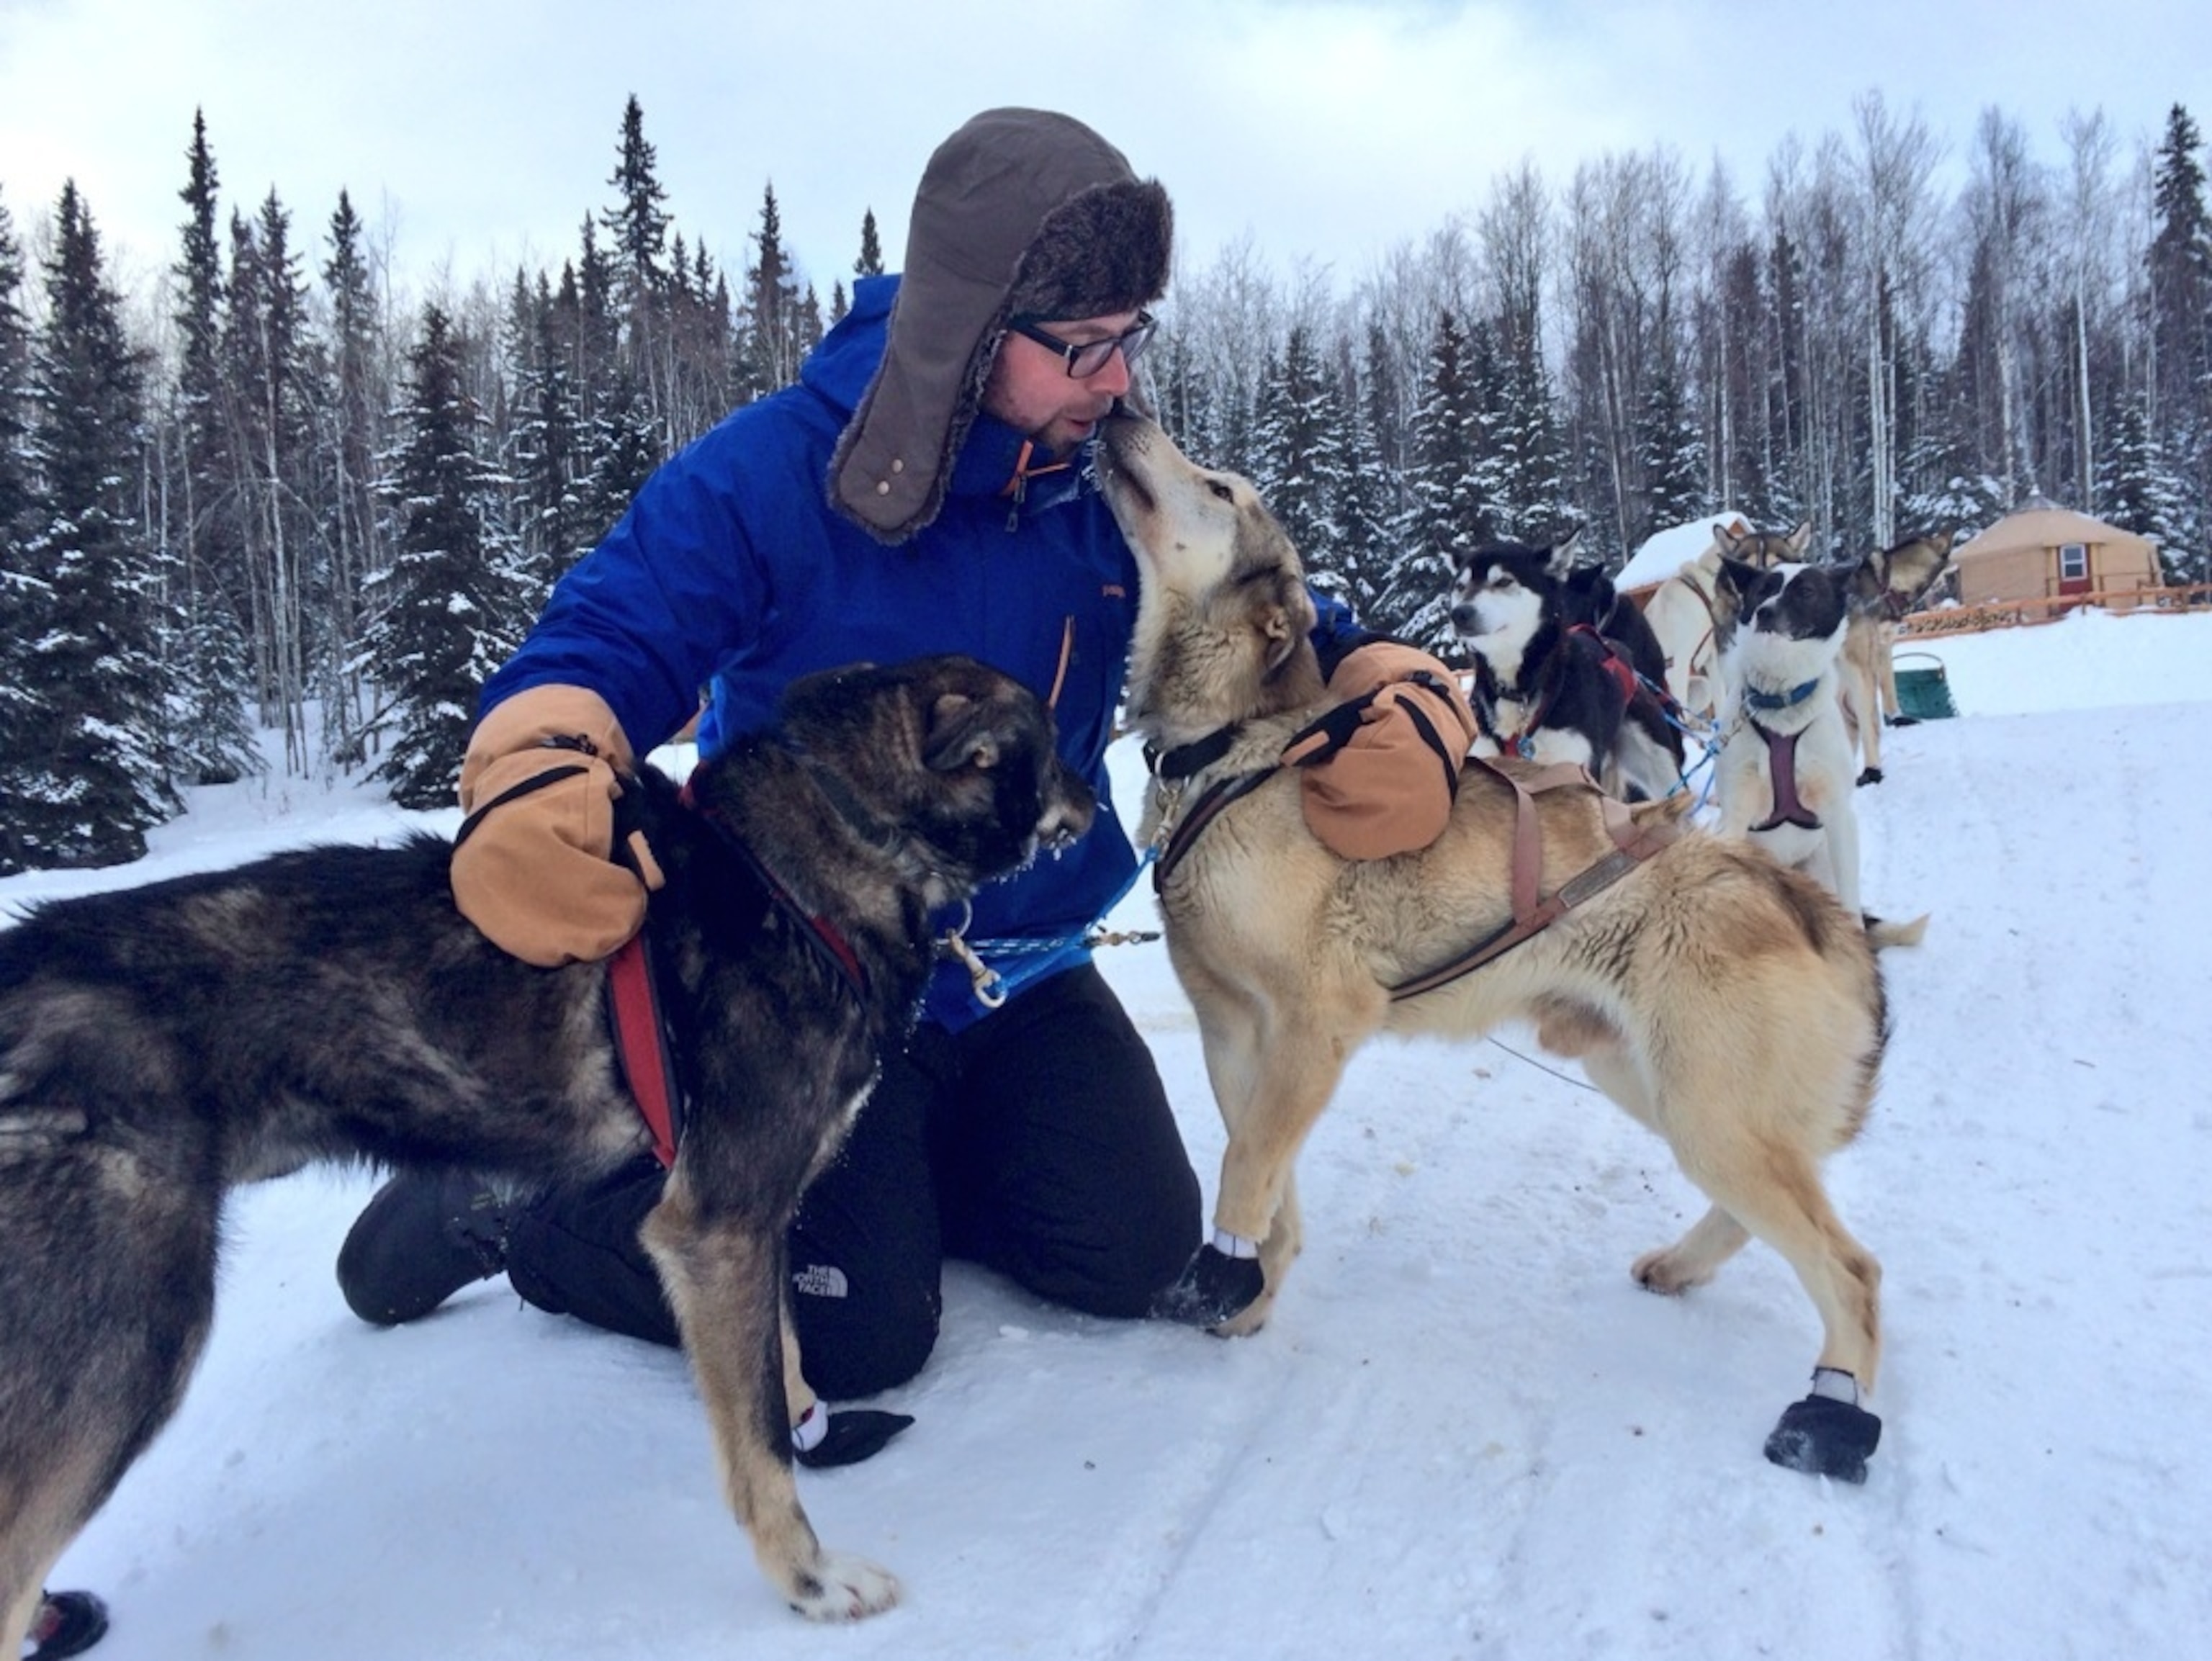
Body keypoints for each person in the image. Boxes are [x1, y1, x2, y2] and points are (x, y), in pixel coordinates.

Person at [335, 107, 1473, 1457]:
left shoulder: (1097, 486)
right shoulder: (777, 471)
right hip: (812, 971)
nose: (1119, 381)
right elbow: (613, 627)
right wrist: (539, 762)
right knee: (866, 1328)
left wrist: (1402, 689)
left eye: (1133, 338)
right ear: (978, 326)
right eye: (1084, 347)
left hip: (1022, 972)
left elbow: (1283, 606)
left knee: (1132, 1254)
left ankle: (903, 1179)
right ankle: (520, 1211)